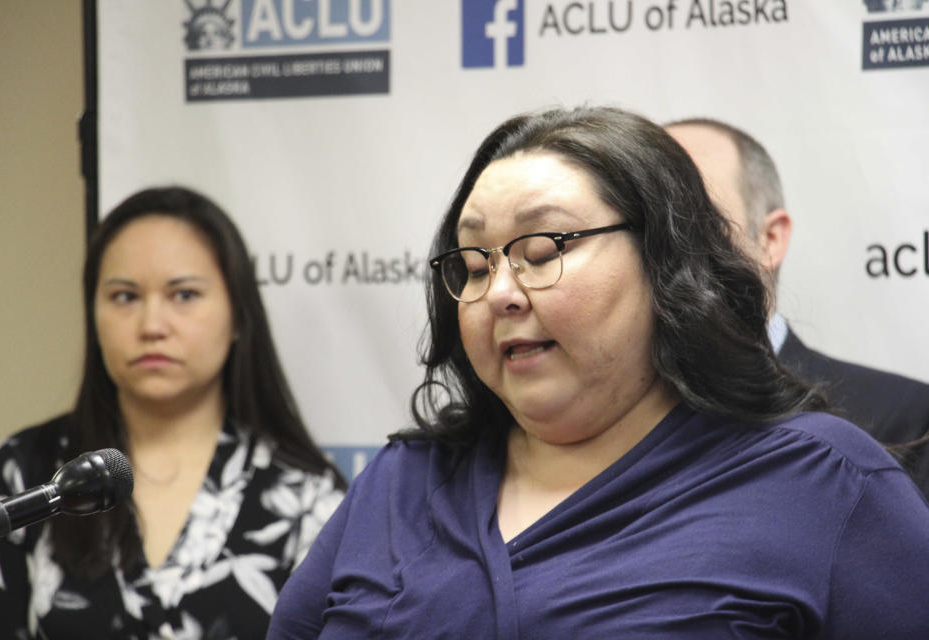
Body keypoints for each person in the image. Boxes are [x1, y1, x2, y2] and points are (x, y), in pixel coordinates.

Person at [266, 106, 929, 639]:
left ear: (666, 265)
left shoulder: (823, 481)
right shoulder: (401, 481)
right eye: (473, 265)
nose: (500, 292)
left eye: (541, 249)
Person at [0, 186, 345, 639]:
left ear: (239, 317)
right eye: (125, 297)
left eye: (183, 295)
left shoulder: (309, 498)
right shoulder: (21, 472)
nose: (152, 326)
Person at [665, 117, 929, 496]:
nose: (666, 251)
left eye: (697, 222)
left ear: (770, 239)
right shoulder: (589, 429)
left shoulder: (905, 419)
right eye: (645, 229)